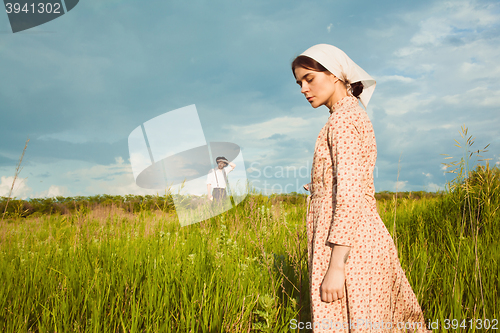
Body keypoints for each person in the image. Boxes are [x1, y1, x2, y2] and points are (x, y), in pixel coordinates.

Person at [292, 44, 428, 332]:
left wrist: (336, 266)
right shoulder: (350, 115)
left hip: (352, 251)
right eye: (299, 83)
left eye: (310, 78)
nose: (304, 88)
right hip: (359, 241)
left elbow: (350, 194)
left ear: (335, 76)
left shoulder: (342, 121)